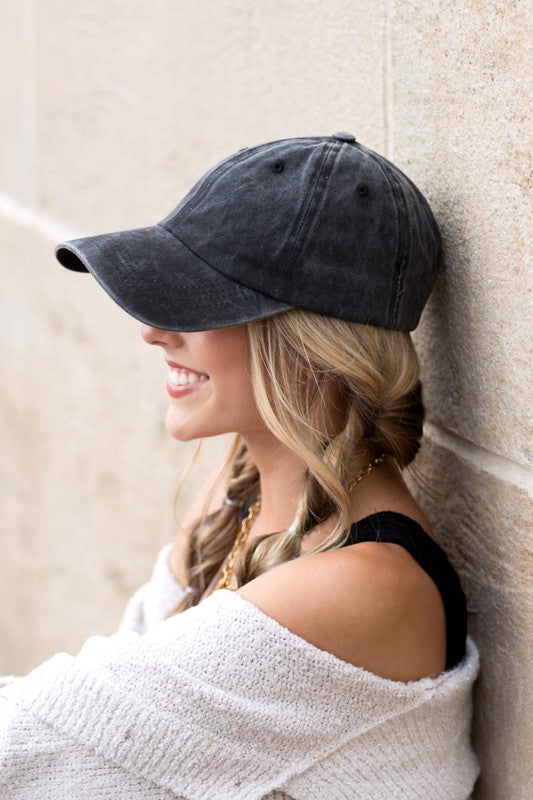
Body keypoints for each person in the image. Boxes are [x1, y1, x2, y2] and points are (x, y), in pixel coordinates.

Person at [0, 132, 480, 799]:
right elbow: (101, 696)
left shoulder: (361, 586)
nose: (154, 331)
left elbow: (30, 746)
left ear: (309, 343)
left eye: (197, 303)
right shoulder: (244, 487)